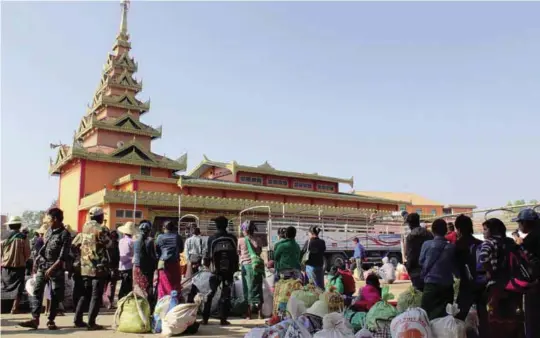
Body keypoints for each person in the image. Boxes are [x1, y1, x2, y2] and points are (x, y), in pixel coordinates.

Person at [19, 208, 71, 330]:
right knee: (37, 291)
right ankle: (35, 319)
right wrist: (37, 262)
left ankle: (51, 320)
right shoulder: (48, 231)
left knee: (55, 294)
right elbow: (43, 249)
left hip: (56, 269)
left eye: (49, 219)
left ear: (55, 219)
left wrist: (52, 268)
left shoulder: (65, 234)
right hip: (43, 266)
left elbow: (62, 256)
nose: (47, 221)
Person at [479, 218, 524, 338]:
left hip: (496, 286)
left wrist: (488, 270)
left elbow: (482, 257)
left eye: (485, 229)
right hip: (514, 285)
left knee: (496, 319)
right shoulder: (510, 241)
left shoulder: (489, 242)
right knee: (512, 317)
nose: (483, 232)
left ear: (493, 230)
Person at [71, 207, 111, 330]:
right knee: (95, 295)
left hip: (84, 266)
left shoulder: (84, 228)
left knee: (84, 294)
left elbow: (74, 245)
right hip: (97, 268)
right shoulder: (101, 229)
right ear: (99, 217)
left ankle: (78, 320)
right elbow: (108, 243)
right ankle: (91, 323)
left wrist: (83, 255)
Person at [454, 214, 488, 338]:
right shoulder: (480, 243)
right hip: (482, 284)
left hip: (466, 286)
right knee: (483, 315)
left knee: (459, 316)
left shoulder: (457, 246)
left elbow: (455, 269)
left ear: (458, 229)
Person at [419, 218, 457, 320]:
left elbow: (421, 262)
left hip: (430, 285)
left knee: (426, 315)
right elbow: (454, 268)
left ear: (432, 230)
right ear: (446, 231)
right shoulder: (452, 248)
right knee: (447, 316)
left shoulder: (427, 244)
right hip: (447, 286)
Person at [204, 216, 238, 326]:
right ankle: (223, 319)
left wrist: (207, 266)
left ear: (217, 225)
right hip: (229, 271)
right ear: (226, 225)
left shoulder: (212, 238)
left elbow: (208, 256)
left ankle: (205, 318)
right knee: (226, 294)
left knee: (211, 293)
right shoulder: (232, 238)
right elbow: (235, 255)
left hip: (215, 271)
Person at [514, 209, 540, 338]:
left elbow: (529, 259)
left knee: (533, 319)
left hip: (535, 285)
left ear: (526, 223)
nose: (518, 226)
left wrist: (519, 244)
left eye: (519, 223)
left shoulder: (533, 238)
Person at [1, 216, 31, 315]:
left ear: (9, 225)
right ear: (19, 225)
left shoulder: (3, 236)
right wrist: (21, 260)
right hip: (19, 267)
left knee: (4, 287)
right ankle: (14, 308)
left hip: (5, 267)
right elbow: (27, 254)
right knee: (19, 289)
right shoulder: (24, 237)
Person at [237, 221, 264, 320]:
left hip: (247, 267)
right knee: (258, 288)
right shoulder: (258, 240)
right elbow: (260, 252)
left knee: (247, 290)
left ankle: (248, 314)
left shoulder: (240, 240)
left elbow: (239, 253)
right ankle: (260, 314)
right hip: (257, 266)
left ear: (245, 230)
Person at [156, 220, 184, 300]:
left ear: (164, 227)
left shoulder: (160, 237)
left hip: (162, 263)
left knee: (163, 285)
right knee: (175, 283)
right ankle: (174, 302)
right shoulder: (177, 237)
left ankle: (163, 303)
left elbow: (157, 251)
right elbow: (181, 250)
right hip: (174, 263)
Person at [405, 212, 434, 291]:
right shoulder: (429, 234)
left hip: (416, 272)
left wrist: (408, 267)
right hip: (430, 270)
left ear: (410, 224)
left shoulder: (410, 237)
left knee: (418, 295)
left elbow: (409, 254)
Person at [133, 220, 157, 310]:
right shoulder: (150, 241)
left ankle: (139, 306)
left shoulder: (135, 240)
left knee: (139, 286)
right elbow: (152, 256)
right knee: (148, 287)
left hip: (137, 267)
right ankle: (149, 306)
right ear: (149, 231)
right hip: (147, 268)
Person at [117, 221, 136, 300]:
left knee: (123, 284)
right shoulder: (132, 242)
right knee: (127, 286)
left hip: (121, 265)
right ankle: (124, 300)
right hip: (129, 266)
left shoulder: (121, 241)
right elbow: (133, 254)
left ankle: (121, 298)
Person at [104, 230, 120, 309]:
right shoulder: (117, 245)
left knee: (105, 285)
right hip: (114, 267)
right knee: (112, 285)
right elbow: (118, 257)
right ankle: (110, 302)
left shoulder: (107, 245)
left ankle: (104, 301)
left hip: (107, 267)